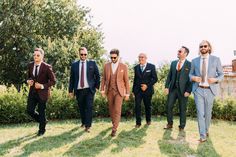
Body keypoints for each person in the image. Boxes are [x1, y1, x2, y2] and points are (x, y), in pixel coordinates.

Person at [189, 40, 224, 142]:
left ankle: (206, 129)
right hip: (198, 90)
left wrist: (215, 79)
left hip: (210, 90)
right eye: (201, 46)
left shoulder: (216, 59)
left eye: (205, 46)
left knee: (208, 113)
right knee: (200, 113)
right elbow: (190, 75)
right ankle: (202, 135)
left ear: (209, 47)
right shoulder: (194, 60)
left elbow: (221, 74)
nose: (203, 48)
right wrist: (194, 78)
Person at [69, 47, 100, 133]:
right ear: (79, 54)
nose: (83, 56)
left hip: (89, 90)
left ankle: (88, 126)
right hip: (79, 90)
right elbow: (72, 79)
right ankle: (83, 122)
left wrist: (96, 87)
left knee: (89, 107)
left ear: (87, 54)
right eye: (82, 54)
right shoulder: (74, 65)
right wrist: (70, 91)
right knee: (81, 108)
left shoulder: (92, 63)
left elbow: (98, 76)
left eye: (85, 54)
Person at [26, 48, 56, 136]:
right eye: (34, 55)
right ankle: (43, 121)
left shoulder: (47, 67)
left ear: (42, 56)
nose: (35, 57)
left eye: (38, 55)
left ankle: (41, 130)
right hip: (32, 92)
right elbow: (28, 77)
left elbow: (53, 81)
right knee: (29, 110)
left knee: (41, 111)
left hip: (43, 93)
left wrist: (42, 86)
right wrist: (28, 81)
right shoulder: (30, 65)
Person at [101, 49, 130, 137]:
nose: (113, 59)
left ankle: (114, 129)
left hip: (119, 92)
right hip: (109, 91)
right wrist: (102, 89)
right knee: (111, 109)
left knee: (117, 109)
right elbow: (103, 79)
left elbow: (126, 81)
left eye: (114, 57)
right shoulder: (106, 66)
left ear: (118, 56)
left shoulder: (123, 66)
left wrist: (127, 93)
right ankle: (114, 123)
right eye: (111, 57)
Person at [164, 46, 192, 131]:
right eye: (178, 51)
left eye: (180, 51)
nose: (178, 52)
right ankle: (169, 123)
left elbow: (191, 79)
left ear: (185, 54)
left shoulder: (190, 64)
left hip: (183, 91)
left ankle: (182, 126)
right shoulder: (173, 63)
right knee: (169, 106)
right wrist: (166, 87)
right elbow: (169, 76)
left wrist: (188, 91)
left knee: (182, 108)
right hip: (173, 89)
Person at [132, 53, 158, 128]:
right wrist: (133, 91)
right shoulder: (136, 67)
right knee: (137, 106)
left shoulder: (151, 66)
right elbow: (135, 80)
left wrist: (147, 85)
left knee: (148, 106)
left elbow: (155, 79)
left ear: (146, 58)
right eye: (139, 57)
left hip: (148, 90)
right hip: (138, 91)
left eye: (142, 57)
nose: (140, 58)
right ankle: (138, 123)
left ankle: (148, 120)